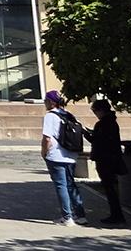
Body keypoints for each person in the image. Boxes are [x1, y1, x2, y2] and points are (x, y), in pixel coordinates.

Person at [41, 90, 87, 226]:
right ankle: (81, 215)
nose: (44, 103)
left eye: (45, 101)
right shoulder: (69, 115)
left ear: (51, 102)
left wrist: (44, 152)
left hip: (56, 156)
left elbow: (47, 138)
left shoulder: (49, 117)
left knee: (61, 186)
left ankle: (67, 217)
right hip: (71, 155)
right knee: (71, 185)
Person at [84, 99, 127, 225]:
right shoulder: (112, 122)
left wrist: (86, 134)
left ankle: (116, 215)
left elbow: (97, 141)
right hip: (113, 158)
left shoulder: (102, 124)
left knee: (109, 188)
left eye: (95, 111)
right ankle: (116, 214)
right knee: (110, 188)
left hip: (104, 159)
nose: (95, 114)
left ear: (102, 110)